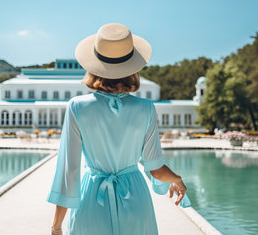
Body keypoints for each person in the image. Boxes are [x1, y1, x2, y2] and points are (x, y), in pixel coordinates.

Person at [47, 23, 187, 235]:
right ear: (133, 69)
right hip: (136, 202)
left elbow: (70, 171)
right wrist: (176, 179)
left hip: (91, 204)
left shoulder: (77, 106)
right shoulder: (146, 109)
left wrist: (56, 226)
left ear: (95, 66)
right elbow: (156, 168)